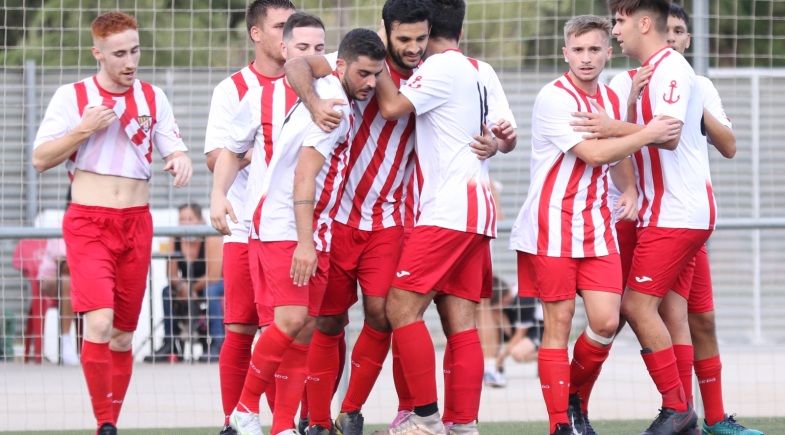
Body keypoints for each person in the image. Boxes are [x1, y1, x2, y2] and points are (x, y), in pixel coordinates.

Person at [587, 4, 760, 435]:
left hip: (676, 214)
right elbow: (641, 141)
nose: (615, 32)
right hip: (653, 214)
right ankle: (686, 416)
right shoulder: (637, 76)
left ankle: (679, 410)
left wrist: (611, 126)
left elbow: (669, 134)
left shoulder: (677, 72)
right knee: (665, 314)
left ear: (646, 24)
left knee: (635, 307)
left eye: (619, 23)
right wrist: (621, 118)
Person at [509, 14, 680, 435]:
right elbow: (594, 153)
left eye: (594, 49)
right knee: (559, 322)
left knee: (606, 322)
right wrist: (650, 132)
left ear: (607, 51)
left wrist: (632, 189)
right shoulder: (554, 97)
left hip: (596, 226)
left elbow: (615, 153)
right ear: (565, 52)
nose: (586, 58)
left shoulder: (608, 97)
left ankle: (570, 396)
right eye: (578, 50)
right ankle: (559, 425)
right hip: (551, 224)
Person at [212, 26, 385, 435]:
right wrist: (219, 195)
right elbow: (300, 176)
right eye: (363, 74)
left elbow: (238, 149)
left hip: (312, 229)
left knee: (302, 328)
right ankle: (243, 410)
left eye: (376, 75)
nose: (371, 83)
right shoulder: (330, 107)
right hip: (286, 228)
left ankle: (283, 425)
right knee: (287, 322)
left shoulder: (307, 89)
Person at [31, 11, 192, 435]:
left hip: (137, 223)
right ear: (97, 53)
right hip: (89, 223)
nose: (129, 61)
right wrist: (82, 130)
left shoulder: (153, 98)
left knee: (122, 334)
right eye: (119, 53)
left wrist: (178, 159)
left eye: (135, 50)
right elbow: (40, 159)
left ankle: (111, 420)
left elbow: (174, 147)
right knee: (98, 323)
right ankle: (104, 422)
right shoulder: (73, 96)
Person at [204, 1, 296, 432]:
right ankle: (234, 420)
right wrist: (264, 151)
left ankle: (290, 422)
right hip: (245, 227)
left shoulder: (317, 85)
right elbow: (213, 157)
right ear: (257, 34)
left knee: (294, 329)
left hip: (301, 229)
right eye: (280, 26)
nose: (287, 34)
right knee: (242, 327)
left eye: (292, 25)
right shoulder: (233, 89)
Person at [144, 203, 223, 363]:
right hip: (186, 286)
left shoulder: (211, 237)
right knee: (167, 292)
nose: (185, 223)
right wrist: (182, 287)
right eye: (181, 219)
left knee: (211, 292)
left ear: (200, 220)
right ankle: (170, 342)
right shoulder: (175, 237)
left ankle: (217, 343)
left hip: (212, 284)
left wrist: (191, 288)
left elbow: (214, 275)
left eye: (189, 219)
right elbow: (171, 274)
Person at [38, 190, 79, 366]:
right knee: (67, 278)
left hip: (81, 279)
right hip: (51, 280)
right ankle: (66, 341)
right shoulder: (61, 225)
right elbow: (64, 263)